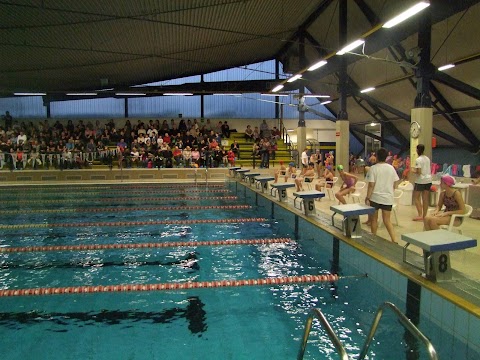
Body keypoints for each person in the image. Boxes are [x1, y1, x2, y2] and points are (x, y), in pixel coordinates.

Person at [365, 148, 399, 243]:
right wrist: (390, 190)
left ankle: (373, 237)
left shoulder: (373, 168)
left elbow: (371, 185)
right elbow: (395, 182)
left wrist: (367, 197)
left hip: (375, 198)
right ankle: (394, 240)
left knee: (374, 219)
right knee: (387, 220)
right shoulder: (391, 168)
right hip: (387, 198)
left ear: (377, 156)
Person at [412, 144, 432, 221]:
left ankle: (420, 214)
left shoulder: (418, 160)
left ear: (417, 150)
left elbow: (419, 172)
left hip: (420, 181)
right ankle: (424, 215)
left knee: (416, 197)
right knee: (425, 198)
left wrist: (413, 170)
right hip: (428, 180)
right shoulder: (427, 158)